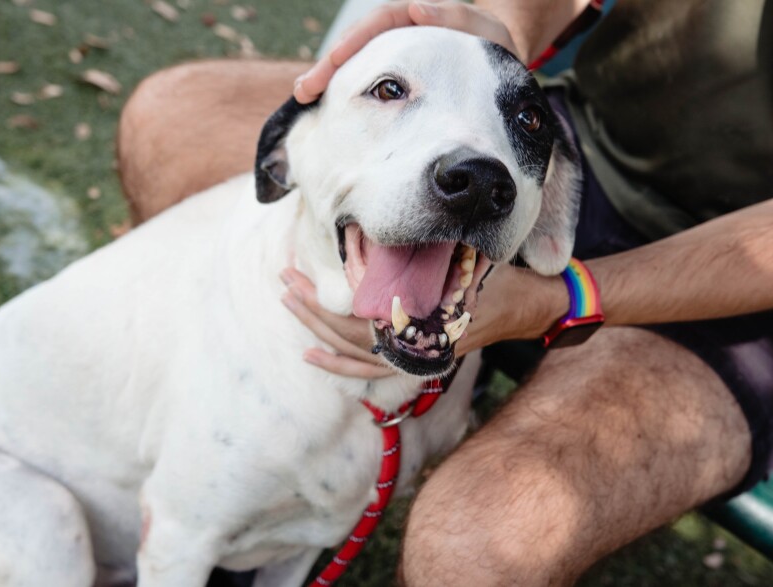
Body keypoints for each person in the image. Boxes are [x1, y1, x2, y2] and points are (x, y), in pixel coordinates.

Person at [117, 0, 773, 584]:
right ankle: (220, 429)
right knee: (173, 117)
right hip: (580, 146)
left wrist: (561, 296)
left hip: (749, 293)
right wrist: (498, 31)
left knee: (474, 548)